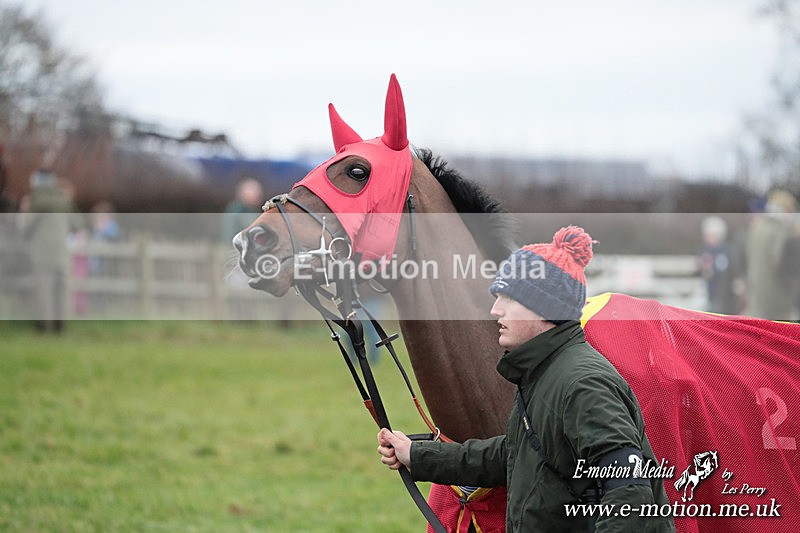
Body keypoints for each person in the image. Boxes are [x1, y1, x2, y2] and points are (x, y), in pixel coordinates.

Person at [377, 226, 674, 532]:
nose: (495, 310)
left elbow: (630, 495)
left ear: (544, 309)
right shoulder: (546, 371)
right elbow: (510, 454)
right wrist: (417, 455)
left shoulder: (583, 384)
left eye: (508, 298)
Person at [744, 189, 797, 320]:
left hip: (757, 299)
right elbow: (786, 265)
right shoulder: (781, 232)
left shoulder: (757, 228)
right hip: (776, 302)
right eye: (790, 211)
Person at [695, 216, 736, 314]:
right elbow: (699, 270)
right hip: (706, 291)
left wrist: (710, 270)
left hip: (722, 293)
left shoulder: (726, 250)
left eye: (711, 235)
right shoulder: (703, 249)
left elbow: (725, 271)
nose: (707, 237)